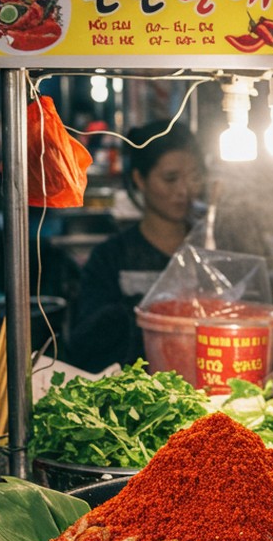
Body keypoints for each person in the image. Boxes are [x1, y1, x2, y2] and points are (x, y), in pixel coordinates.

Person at [69, 120, 205, 372]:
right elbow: (88, 344)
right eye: (170, 178)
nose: (184, 190)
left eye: (194, 178)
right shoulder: (110, 258)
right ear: (139, 179)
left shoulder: (213, 252)